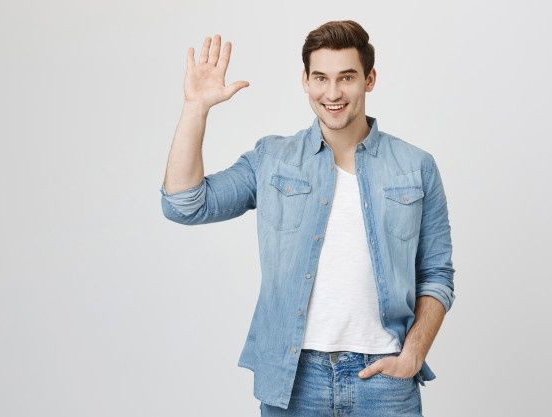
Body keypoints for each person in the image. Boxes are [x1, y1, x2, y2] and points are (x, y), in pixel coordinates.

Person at [159, 20, 455, 417]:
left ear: (370, 79)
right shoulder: (272, 159)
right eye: (321, 78)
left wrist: (413, 355)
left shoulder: (416, 167)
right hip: (295, 380)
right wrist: (195, 108)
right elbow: (184, 204)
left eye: (346, 77)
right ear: (305, 80)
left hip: (385, 381)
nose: (332, 93)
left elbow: (437, 274)